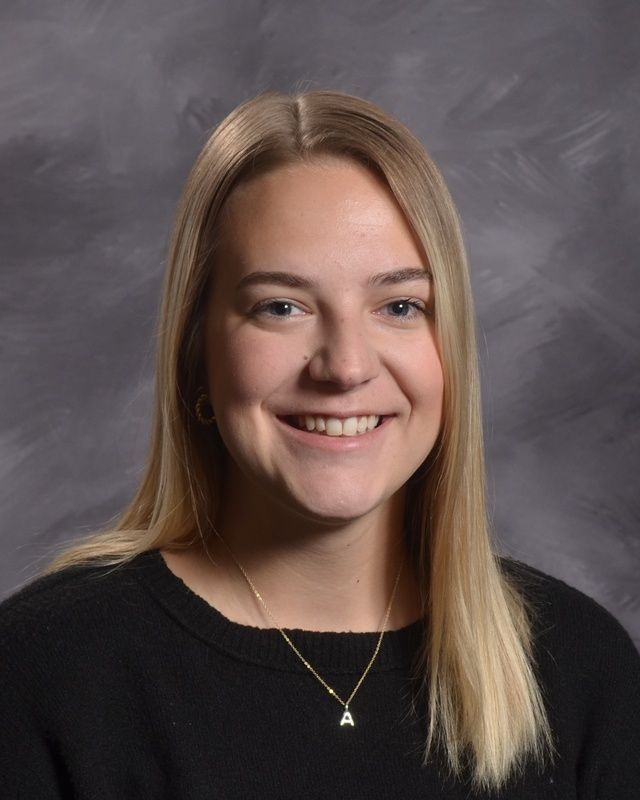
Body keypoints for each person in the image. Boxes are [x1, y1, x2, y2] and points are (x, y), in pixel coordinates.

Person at [1, 89, 639, 799]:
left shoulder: (580, 669)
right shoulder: (43, 673)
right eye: (282, 307)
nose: (345, 366)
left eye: (399, 306)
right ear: (196, 351)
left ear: (450, 348)